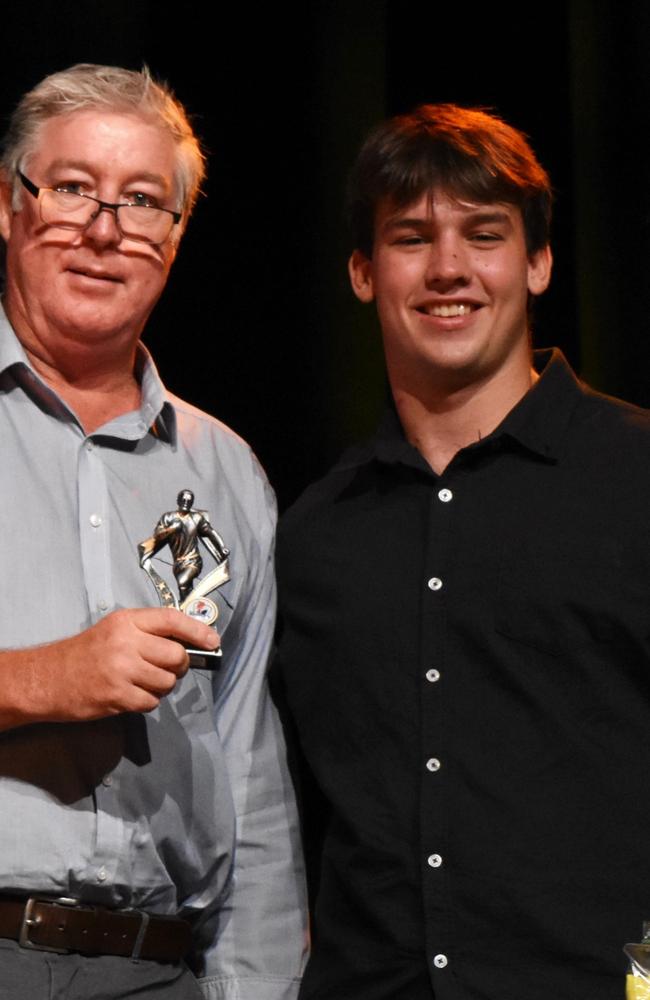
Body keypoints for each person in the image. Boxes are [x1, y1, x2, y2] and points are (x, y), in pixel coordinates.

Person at [274, 104, 650, 1000]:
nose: (449, 268)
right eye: (411, 238)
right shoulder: (316, 530)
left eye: (483, 235)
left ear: (539, 261)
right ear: (364, 272)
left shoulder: (638, 474)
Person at [0, 64, 306, 999]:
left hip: (158, 970)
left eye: (142, 202)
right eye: (71, 189)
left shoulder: (224, 474)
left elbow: (248, 771)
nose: (104, 229)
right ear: (9, 206)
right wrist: (42, 679)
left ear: (175, 237)